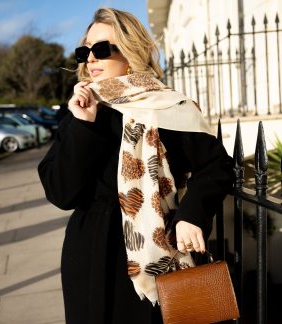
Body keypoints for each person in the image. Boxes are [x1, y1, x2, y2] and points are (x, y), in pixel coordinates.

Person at [38, 7, 233, 324]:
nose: (90, 59)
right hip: (88, 252)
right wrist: (82, 125)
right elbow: (61, 193)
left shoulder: (168, 107)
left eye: (101, 50)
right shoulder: (83, 108)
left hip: (158, 249)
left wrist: (192, 214)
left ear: (130, 51)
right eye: (84, 51)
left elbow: (217, 166)